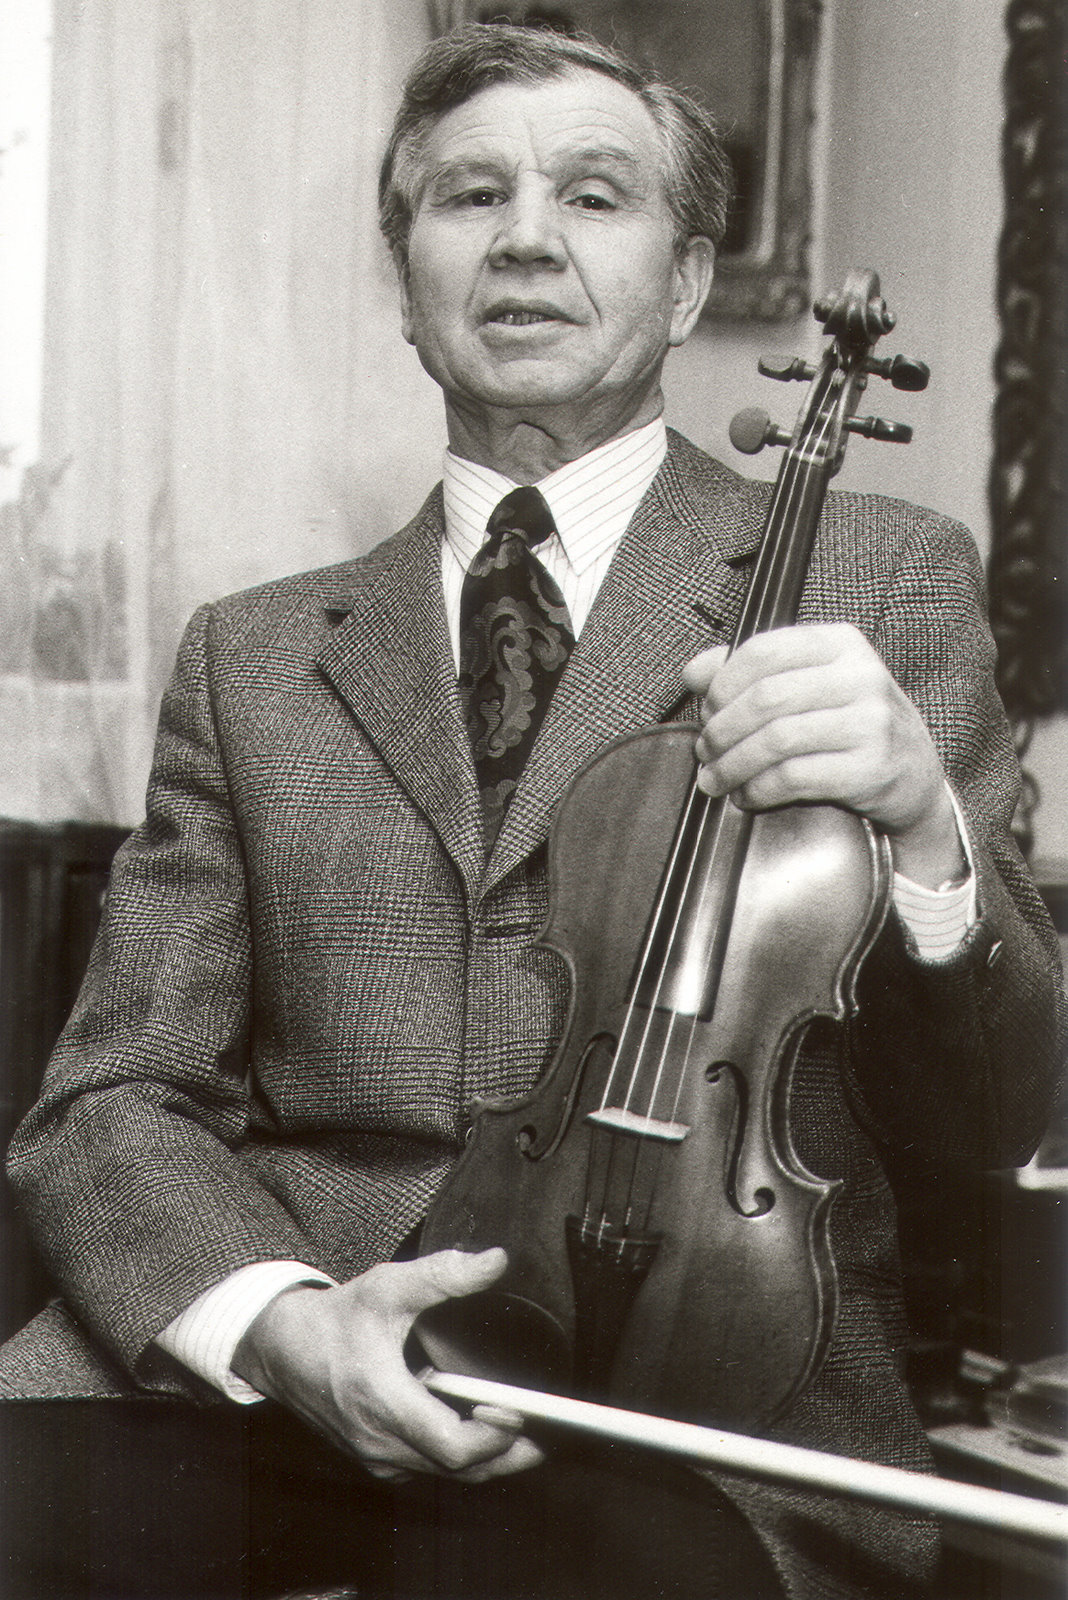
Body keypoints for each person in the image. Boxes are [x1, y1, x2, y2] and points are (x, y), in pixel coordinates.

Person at [2, 21, 1064, 1600]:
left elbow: (996, 1122)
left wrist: (923, 837)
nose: (523, 238)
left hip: (703, 1401)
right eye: (468, 195)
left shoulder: (880, 581)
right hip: (293, 1371)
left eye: (593, 194)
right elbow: (112, 1099)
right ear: (406, 282)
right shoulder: (252, 653)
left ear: (687, 283)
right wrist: (287, 1327)